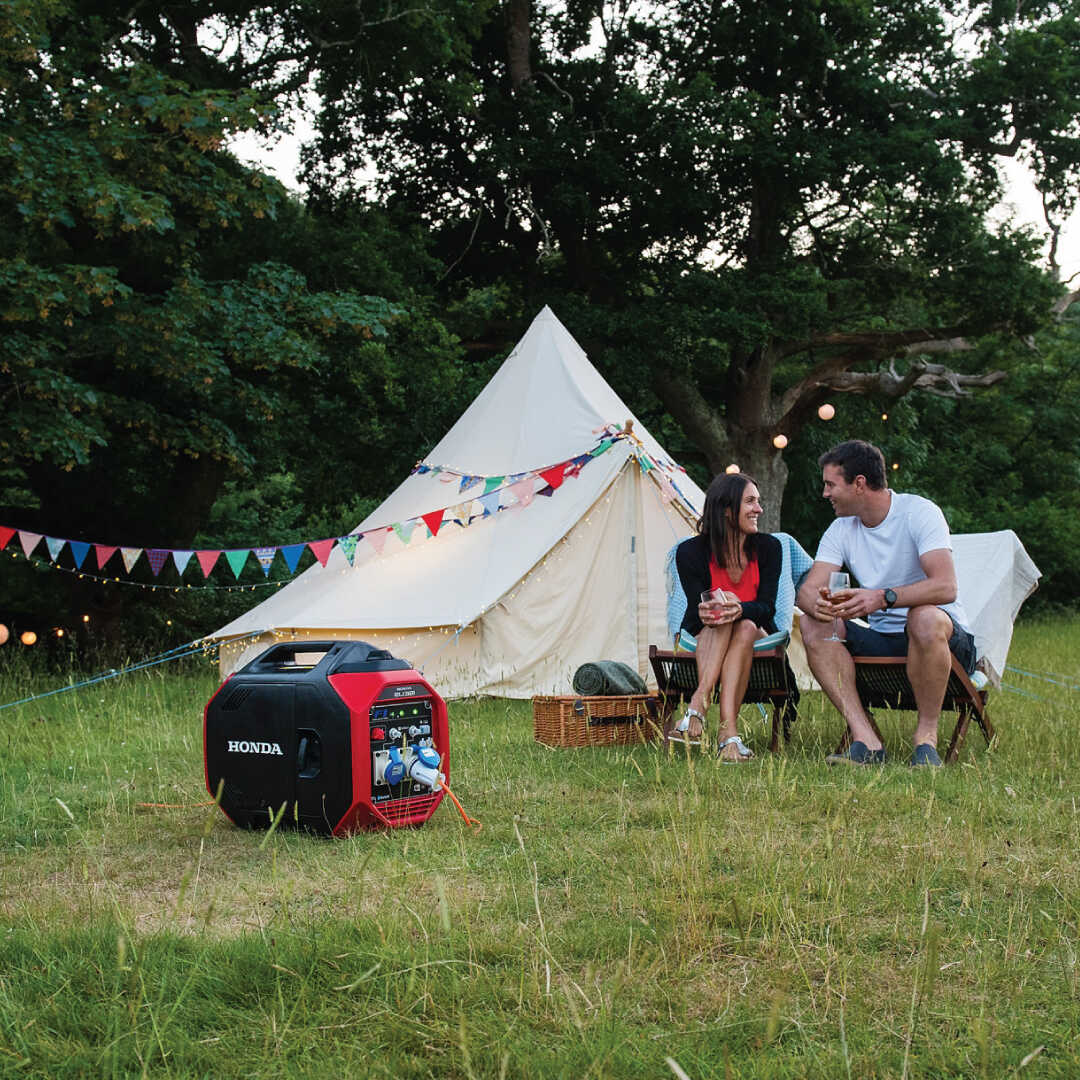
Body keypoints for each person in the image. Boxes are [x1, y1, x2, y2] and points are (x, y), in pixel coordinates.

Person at [797, 439, 976, 766]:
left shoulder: (918, 513)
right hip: (883, 639)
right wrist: (817, 605)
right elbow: (808, 590)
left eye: (830, 485)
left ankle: (926, 741)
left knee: (923, 617)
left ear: (859, 483)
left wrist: (882, 598)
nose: (825, 493)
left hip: (944, 642)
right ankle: (866, 740)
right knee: (812, 623)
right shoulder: (841, 529)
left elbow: (946, 586)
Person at [671, 472, 781, 762]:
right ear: (727, 510)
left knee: (743, 621)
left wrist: (739, 607)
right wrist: (719, 608)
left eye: (758, 501)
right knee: (726, 614)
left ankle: (697, 705)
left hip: (758, 633)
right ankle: (727, 735)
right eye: (750, 501)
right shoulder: (690, 552)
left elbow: (767, 607)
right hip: (707, 631)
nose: (759, 509)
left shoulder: (769, 548)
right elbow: (700, 607)